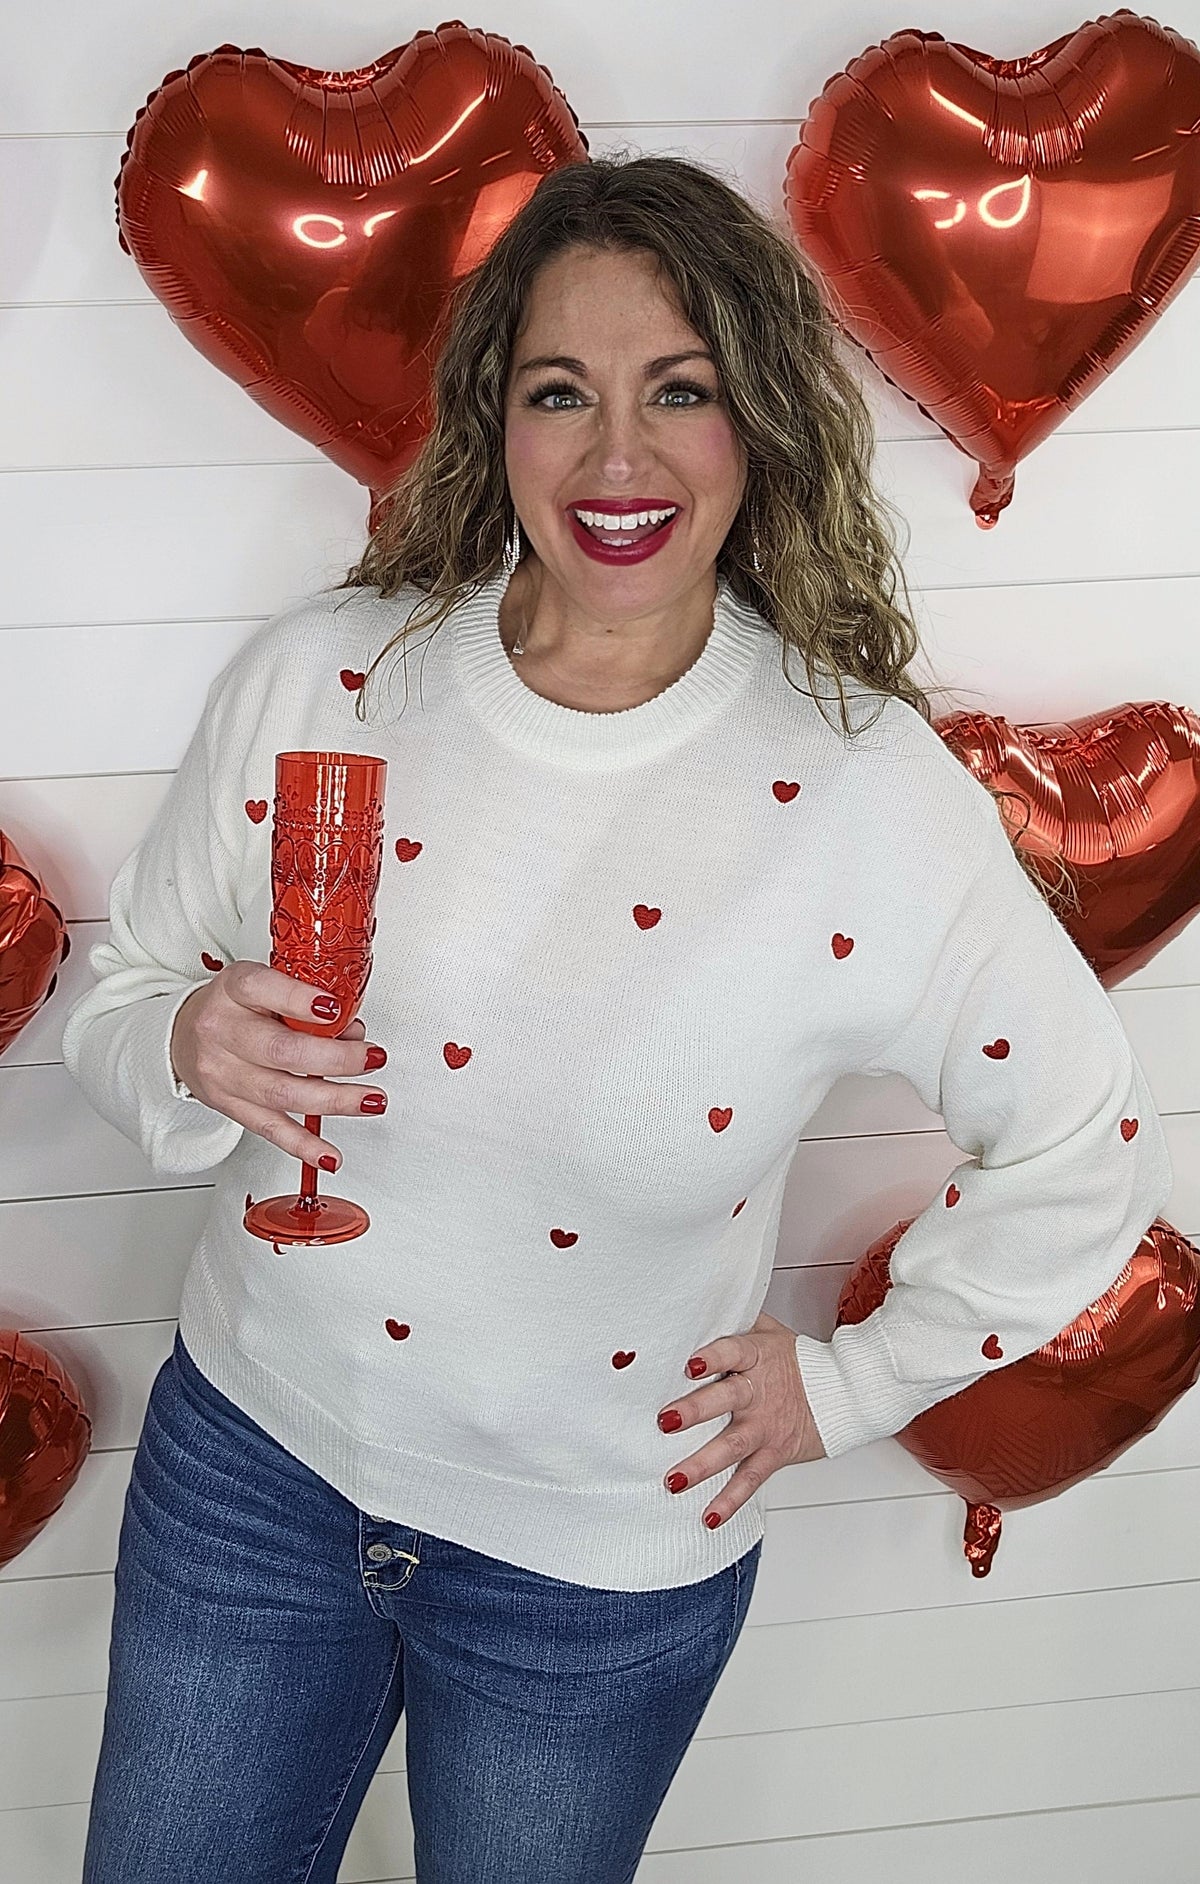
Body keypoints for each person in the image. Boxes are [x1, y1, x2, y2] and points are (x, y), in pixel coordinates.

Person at [62, 154, 1172, 1883]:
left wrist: (857, 1382)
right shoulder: (325, 679)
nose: (618, 459)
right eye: (559, 392)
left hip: (591, 1574)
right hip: (249, 1482)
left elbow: (1084, 1135)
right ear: (492, 419)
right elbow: (124, 999)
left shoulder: (867, 791)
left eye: (684, 392)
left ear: (765, 427)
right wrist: (183, 1050)